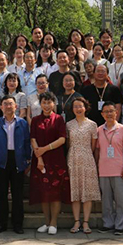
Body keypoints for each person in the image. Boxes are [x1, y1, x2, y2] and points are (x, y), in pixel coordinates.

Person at [0, 96, 32, 234]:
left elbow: (27, 142)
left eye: (11, 104)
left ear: (16, 107)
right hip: (1, 161)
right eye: (5, 104)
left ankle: (17, 224)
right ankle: (2, 224)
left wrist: (28, 160)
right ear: (1, 107)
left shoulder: (22, 123)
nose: (8, 106)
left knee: (17, 194)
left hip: (18, 160)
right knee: (1, 194)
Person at [30, 92, 70, 235]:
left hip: (55, 159)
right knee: (43, 192)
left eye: (49, 102)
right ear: (40, 104)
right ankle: (46, 222)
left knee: (55, 193)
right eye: (44, 102)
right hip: (40, 160)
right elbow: (33, 139)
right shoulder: (35, 120)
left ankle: (54, 222)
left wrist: (45, 149)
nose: (46, 105)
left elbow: (62, 139)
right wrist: (39, 157)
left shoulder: (59, 119)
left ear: (54, 104)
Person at [94, 102, 123, 234]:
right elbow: (97, 150)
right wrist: (96, 166)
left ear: (116, 113)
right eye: (106, 111)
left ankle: (119, 226)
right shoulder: (99, 130)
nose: (109, 114)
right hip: (103, 170)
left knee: (120, 199)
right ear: (102, 114)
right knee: (106, 200)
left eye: (111, 111)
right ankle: (108, 223)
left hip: (119, 169)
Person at [66, 97, 100, 234]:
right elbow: (68, 143)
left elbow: (93, 146)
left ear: (85, 108)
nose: (78, 109)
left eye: (80, 106)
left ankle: (86, 222)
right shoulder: (68, 125)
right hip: (72, 158)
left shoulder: (92, 125)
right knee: (75, 192)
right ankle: (76, 221)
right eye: (75, 106)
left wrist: (87, 155)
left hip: (87, 159)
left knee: (87, 192)